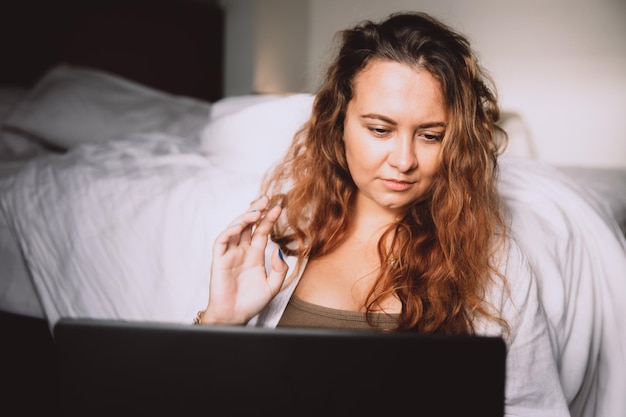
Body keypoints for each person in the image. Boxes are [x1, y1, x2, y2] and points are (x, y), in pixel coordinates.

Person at [195, 11, 571, 416]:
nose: (404, 160)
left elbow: (534, 409)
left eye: (430, 136)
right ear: (339, 123)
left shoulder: (494, 262)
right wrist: (220, 325)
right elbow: (196, 399)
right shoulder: (277, 239)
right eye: (380, 129)